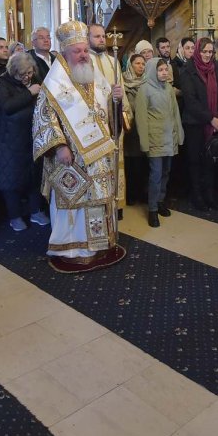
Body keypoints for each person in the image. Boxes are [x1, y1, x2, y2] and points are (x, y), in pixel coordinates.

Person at [31, 20, 125, 273]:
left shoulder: (95, 77)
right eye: (77, 51)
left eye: (85, 50)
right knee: (75, 202)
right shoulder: (54, 83)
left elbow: (108, 114)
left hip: (99, 156)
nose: (83, 55)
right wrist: (59, 146)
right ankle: (72, 249)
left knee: (98, 200)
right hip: (71, 157)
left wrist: (116, 101)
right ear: (64, 52)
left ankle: (98, 245)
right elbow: (44, 119)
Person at [0, 52, 44, 232]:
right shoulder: (2, 83)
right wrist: (29, 93)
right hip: (9, 140)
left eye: (29, 72)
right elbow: (7, 106)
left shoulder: (34, 80)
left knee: (34, 176)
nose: (27, 77)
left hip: (31, 137)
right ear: (13, 72)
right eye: (22, 74)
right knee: (11, 179)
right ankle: (15, 216)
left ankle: (35, 211)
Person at [175, 37, 218, 210]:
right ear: (198, 52)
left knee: (211, 161)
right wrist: (211, 118)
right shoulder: (188, 70)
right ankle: (197, 195)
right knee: (195, 161)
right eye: (204, 51)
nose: (207, 55)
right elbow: (191, 101)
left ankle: (210, 194)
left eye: (210, 52)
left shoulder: (217, 69)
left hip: (215, 124)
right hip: (195, 123)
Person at [135, 57, 183, 227]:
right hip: (155, 139)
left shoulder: (168, 87)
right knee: (155, 175)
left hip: (169, 137)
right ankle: (153, 209)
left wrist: (179, 134)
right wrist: (144, 142)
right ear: (152, 71)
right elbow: (141, 118)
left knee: (166, 172)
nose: (164, 73)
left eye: (165, 69)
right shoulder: (144, 89)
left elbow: (175, 112)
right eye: (160, 70)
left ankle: (161, 200)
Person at [89, 24, 126, 211]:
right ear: (87, 38)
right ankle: (102, 202)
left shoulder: (113, 61)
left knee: (116, 160)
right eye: (97, 36)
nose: (102, 39)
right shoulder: (85, 61)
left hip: (114, 120)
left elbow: (122, 90)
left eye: (103, 36)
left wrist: (124, 110)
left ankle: (116, 202)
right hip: (96, 122)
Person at [122, 53, 149, 206]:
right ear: (130, 66)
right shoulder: (123, 82)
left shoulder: (148, 82)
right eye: (137, 63)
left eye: (143, 64)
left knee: (143, 164)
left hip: (144, 129)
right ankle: (131, 194)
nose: (141, 66)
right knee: (131, 164)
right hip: (130, 129)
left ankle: (142, 193)